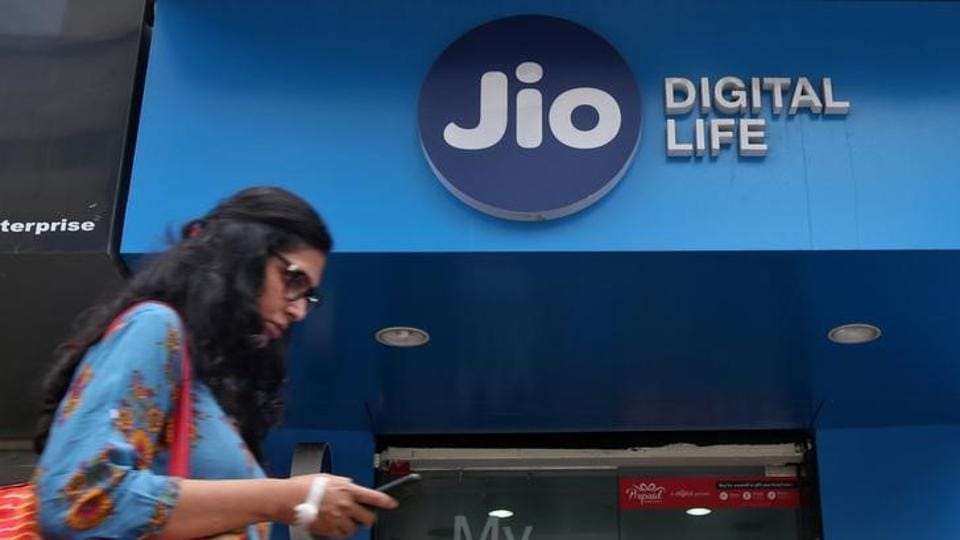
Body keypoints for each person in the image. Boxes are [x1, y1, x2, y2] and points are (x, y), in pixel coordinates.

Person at [32, 186, 396, 538]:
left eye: (308, 296)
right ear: (241, 253)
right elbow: (78, 501)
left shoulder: (209, 383)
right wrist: (284, 497)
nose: (299, 309)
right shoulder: (155, 326)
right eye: (293, 279)